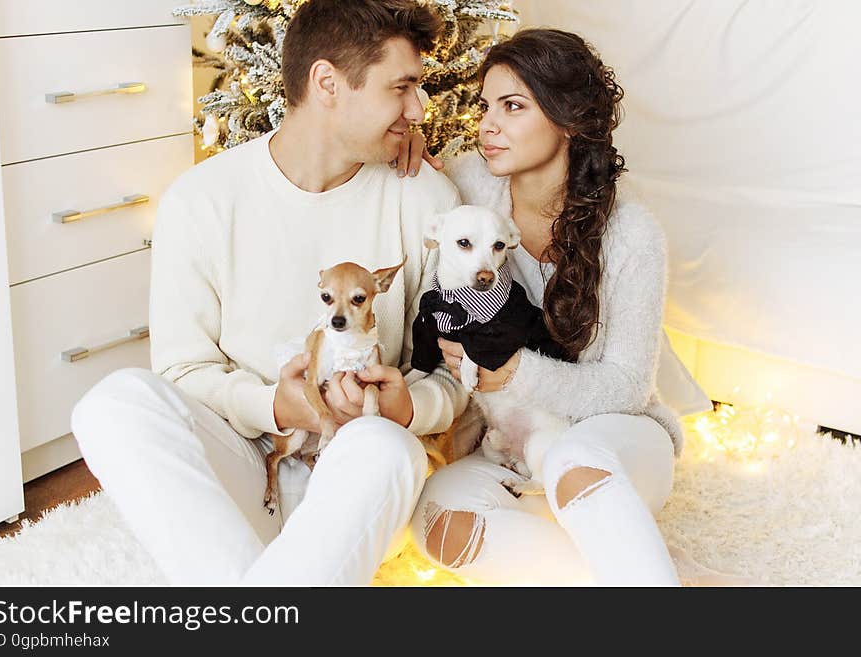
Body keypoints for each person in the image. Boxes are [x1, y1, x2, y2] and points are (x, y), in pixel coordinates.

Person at [69, 0, 469, 586]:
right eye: (401, 87)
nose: (419, 107)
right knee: (113, 404)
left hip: (357, 474)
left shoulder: (427, 200)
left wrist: (410, 407)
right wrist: (276, 407)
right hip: (244, 460)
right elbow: (182, 371)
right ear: (328, 83)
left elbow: (457, 374)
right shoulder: (201, 199)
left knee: (387, 450)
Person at [398, 28, 702, 586]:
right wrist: (407, 148)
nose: (487, 124)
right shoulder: (469, 184)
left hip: (615, 441)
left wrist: (517, 374)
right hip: (514, 442)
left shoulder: (632, 233)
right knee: (440, 520)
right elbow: (411, 183)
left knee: (570, 459)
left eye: (512, 106)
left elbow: (627, 387)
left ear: (568, 118)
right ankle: (666, 580)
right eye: (485, 106)